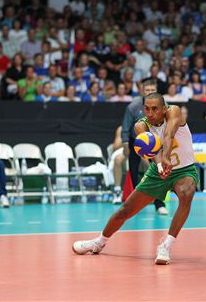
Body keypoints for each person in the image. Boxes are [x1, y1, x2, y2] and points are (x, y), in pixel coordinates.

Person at [73, 93, 199, 265]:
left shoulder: (174, 111)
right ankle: (99, 242)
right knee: (125, 211)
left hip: (184, 169)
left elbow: (168, 135)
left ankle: (166, 245)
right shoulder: (141, 126)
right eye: (147, 108)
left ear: (163, 109)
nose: (150, 112)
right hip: (158, 172)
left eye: (155, 109)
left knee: (187, 192)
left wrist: (166, 157)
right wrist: (161, 165)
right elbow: (152, 151)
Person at [115, 80, 168, 215]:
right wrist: (126, 144)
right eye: (147, 90)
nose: (150, 92)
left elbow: (167, 125)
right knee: (133, 173)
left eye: (152, 90)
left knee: (158, 171)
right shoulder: (133, 107)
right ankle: (135, 204)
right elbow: (125, 128)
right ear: (142, 91)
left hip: (156, 143)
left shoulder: (164, 107)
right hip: (136, 143)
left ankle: (159, 203)